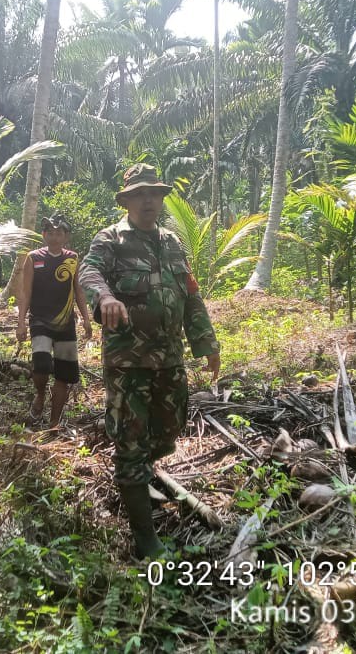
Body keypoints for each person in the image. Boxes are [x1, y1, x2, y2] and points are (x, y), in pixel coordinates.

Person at [79, 164, 221, 558]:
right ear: (126, 201)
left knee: (169, 429)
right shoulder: (110, 240)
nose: (148, 200)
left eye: (155, 194)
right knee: (130, 441)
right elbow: (88, 272)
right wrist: (105, 297)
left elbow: (190, 294)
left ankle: (142, 471)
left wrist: (206, 341)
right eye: (140, 194)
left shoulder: (173, 242)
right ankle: (145, 537)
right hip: (128, 362)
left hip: (169, 358)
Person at [16, 214, 93, 428]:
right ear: (43, 235)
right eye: (50, 232)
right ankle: (40, 394)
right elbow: (26, 291)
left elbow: (78, 290)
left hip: (66, 321)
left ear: (66, 236)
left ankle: (54, 423)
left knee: (64, 373)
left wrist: (86, 319)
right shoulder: (33, 257)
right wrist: (21, 321)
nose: (54, 236)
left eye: (59, 233)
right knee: (41, 364)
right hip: (40, 318)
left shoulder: (73, 258)